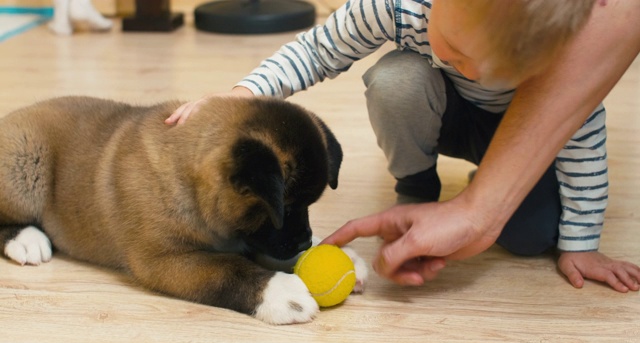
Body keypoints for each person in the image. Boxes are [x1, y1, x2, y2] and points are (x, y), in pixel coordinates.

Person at [166, 0, 640, 292]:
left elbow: (581, 133)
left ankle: (495, 178)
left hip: (519, 131)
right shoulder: (395, 5)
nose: (471, 70)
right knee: (397, 79)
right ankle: (416, 185)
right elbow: (316, 50)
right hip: (442, 112)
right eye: (454, 47)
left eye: (496, 68)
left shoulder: (565, 49)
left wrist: (582, 242)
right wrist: (242, 94)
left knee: (532, 239)